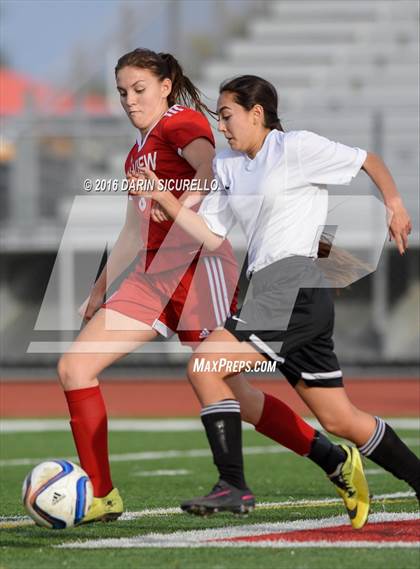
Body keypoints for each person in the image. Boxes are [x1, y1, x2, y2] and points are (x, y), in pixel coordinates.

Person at [58, 51, 368, 527]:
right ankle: (102, 495)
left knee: (233, 392)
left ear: (165, 87)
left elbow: (209, 169)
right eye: (122, 92)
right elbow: (131, 231)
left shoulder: (181, 123)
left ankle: (331, 458)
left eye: (139, 89)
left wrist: (180, 200)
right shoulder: (135, 152)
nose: (129, 100)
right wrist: (100, 286)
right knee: (75, 367)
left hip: (200, 271)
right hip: (151, 277)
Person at [135, 74, 419, 525]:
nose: (222, 128)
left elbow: (369, 159)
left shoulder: (295, 148)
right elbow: (210, 237)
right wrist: (164, 199)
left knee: (205, 366)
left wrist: (394, 203)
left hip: (295, 285)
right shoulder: (229, 165)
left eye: (227, 117)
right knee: (340, 419)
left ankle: (234, 486)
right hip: (271, 289)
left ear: (256, 114)